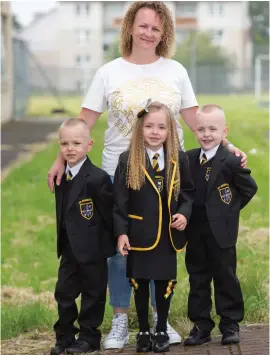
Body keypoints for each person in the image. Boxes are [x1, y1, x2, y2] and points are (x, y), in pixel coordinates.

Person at [47, 1, 247, 349]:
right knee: (120, 251)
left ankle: (160, 320)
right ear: (129, 27)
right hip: (119, 174)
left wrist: (228, 147)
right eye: (142, 26)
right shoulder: (109, 72)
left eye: (156, 27)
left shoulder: (176, 71)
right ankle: (121, 320)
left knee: (161, 247)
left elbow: (195, 119)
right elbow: (84, 123)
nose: (148, 32)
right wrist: (59, 160)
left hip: (165, 178)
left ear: (164, 32)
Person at [114, 102, 194, 353]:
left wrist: (184, 214)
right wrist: (122, 232)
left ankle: (161, 328)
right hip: (139, 234)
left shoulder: (178, 158)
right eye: (149, 126)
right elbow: (120, 201)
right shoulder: (128, 160)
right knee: (138, 281)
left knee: (163, 281)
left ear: (170, 130)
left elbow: (188, 194)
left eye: (161, 127)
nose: (155, 132)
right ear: (140, 129)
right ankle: (144, 331)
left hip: (168, 235)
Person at [184, 105, 257, 347]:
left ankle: (230, 324)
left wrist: (228, 211)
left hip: (222, 232)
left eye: (213, 129)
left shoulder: (231, 160)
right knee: (198, 278)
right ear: (194, 131)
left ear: (224, 131)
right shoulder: (189, 159)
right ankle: (202, 325)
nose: (206, 134)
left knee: (225, 277)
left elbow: (249, 188)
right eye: (201, 129)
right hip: (195, 231)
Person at [50, 118, 116, 355]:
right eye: (64, 143)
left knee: (93, 294)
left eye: (76, 143)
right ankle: (65, 336)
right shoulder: (60, 177)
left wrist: (111, 243)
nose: (70, 148)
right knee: (64, 293)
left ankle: (89, 337)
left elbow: (110, 214)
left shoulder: (97, 178)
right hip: (69, 249)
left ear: (89, 145)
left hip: (93, 249)